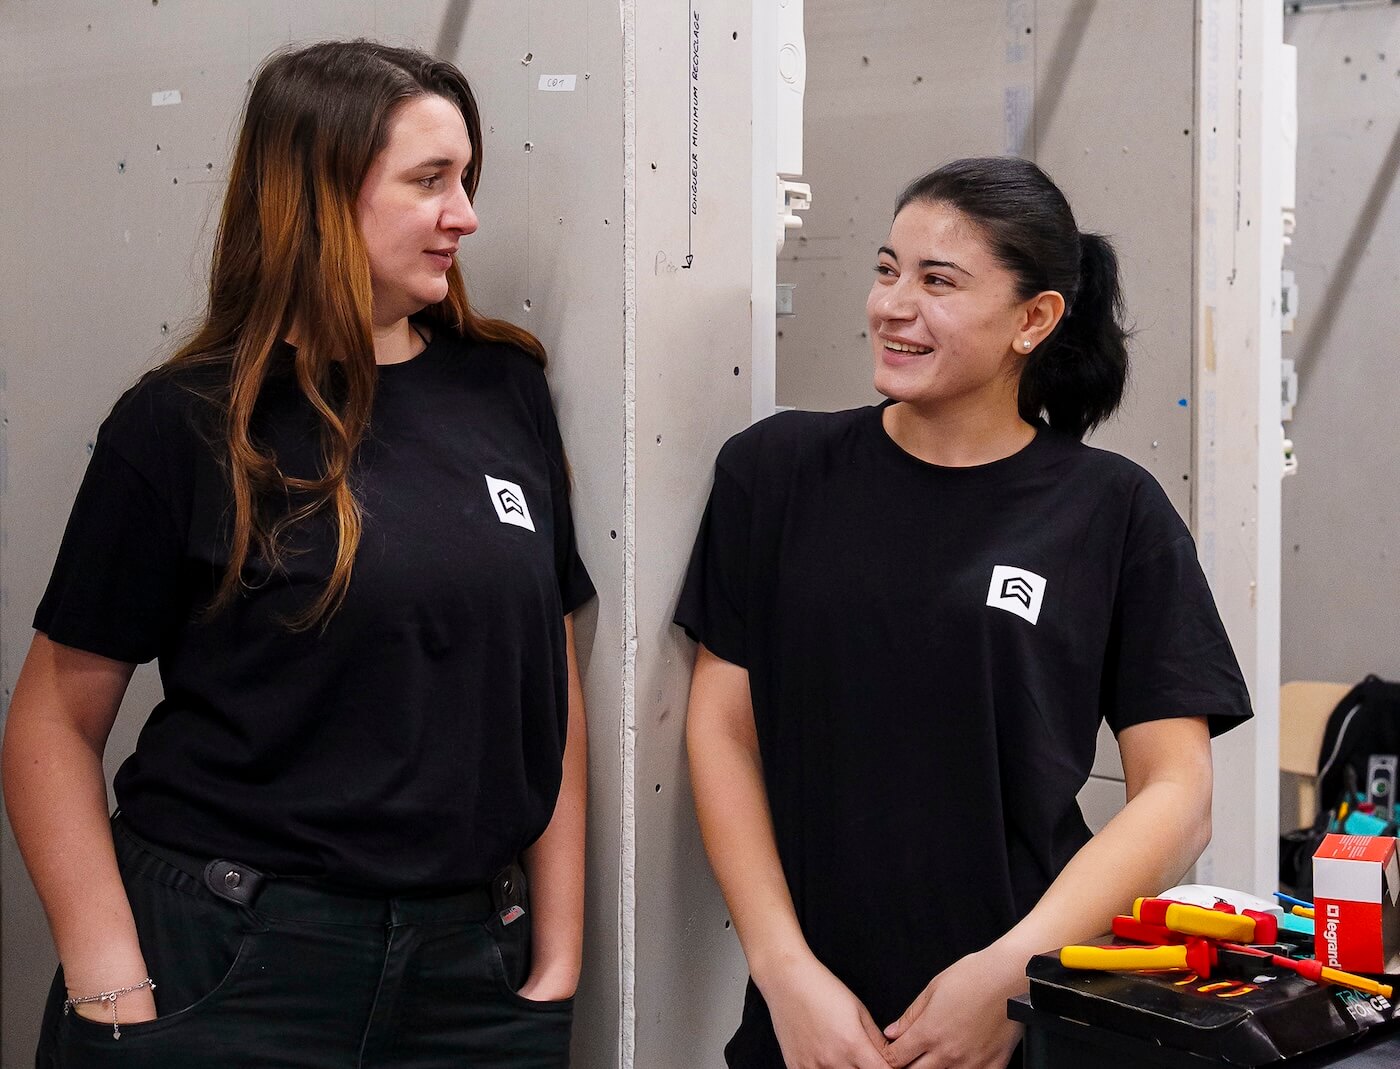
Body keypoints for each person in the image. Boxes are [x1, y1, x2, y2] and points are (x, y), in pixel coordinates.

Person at [2, 40, 592, 1069]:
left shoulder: (504, 390)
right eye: (429, 181)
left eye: (466, 179)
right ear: (316, 196)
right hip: (229, 961)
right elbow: (52, 720)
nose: (466, 214)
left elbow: (546, 676)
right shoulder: (183, 423)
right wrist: (111, 981)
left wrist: (557, 952)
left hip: (471, 981)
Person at [677, 156, 1252, 1069]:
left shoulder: (1112, 510)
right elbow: (722, 729)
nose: (893, 305)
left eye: (938, 281)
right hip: (809, 1026)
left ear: (1035, 318)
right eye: (886, 269)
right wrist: (784, 968)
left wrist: (1015, 972)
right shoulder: (776, 472)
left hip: (1020, 1023)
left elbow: (1178, 794)